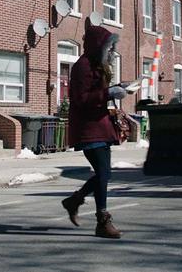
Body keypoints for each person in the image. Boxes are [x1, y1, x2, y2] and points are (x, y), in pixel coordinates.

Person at [61, 21, 129, 239]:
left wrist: (119, 88)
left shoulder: (97, 65)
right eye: (108, 47)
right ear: (97, 45)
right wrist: (109, 94)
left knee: (104, 174)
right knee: (104, 173)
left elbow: (98, 92)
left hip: (101, 126)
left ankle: (76, 202)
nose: (111, 51)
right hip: (88, 129)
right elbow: (80, 99)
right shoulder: (82, 66)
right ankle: (100, 219)